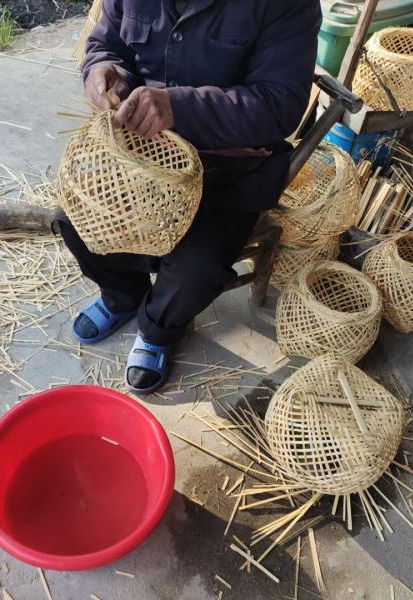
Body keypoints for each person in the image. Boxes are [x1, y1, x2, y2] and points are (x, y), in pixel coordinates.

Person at [61, 0, 321, 393]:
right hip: (143, 155)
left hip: (230, 167)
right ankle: (122, 296)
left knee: (195, 269)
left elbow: (278, 105)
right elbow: (106, 43)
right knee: (76, 220)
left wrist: (177, 106)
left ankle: (158, 330)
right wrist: (102, 70)